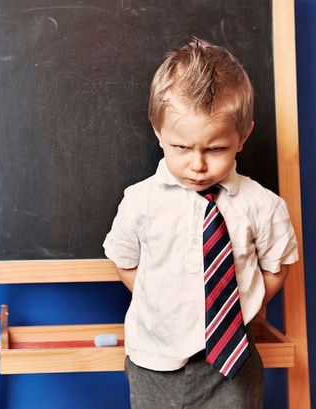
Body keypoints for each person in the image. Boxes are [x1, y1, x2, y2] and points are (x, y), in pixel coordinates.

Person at [103, 38, 299, 409]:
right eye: (181, 148)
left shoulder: (263, 206)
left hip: (233, 362)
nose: (198, 164)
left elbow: (278, 266)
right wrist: (161, 301)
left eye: (215, 149)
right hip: (154, 361)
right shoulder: (141, 202)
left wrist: (236, 308)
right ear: (158, 131)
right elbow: (125, 261)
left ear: (243, 136)